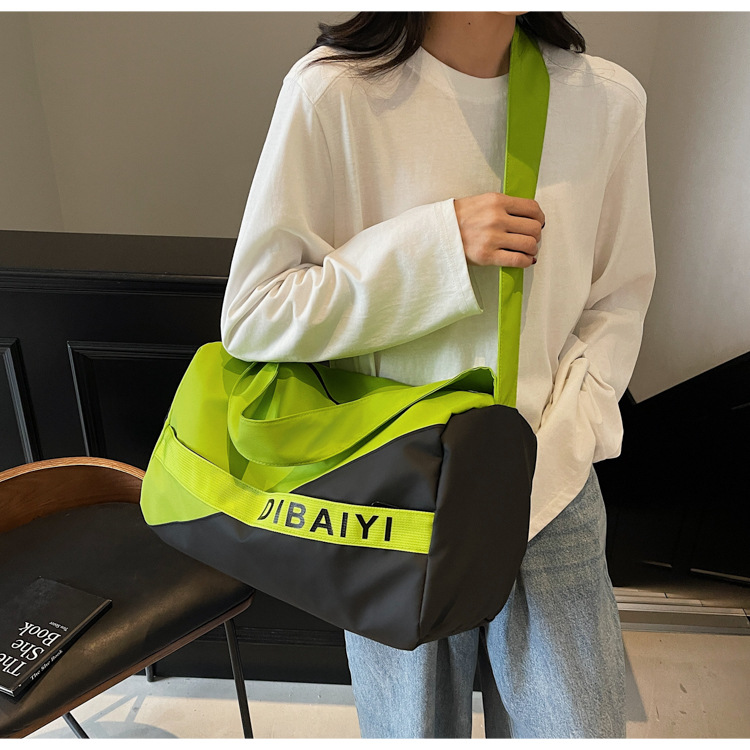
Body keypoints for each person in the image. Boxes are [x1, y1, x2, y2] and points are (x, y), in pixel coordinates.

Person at [220, 11, 656, 739]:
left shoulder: (605, 101)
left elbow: (617, 301)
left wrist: (564, 446)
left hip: (549, 478)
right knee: (411, 731)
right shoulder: (333, 93)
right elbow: (257, 314)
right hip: (399, 493)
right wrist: (438, 243)